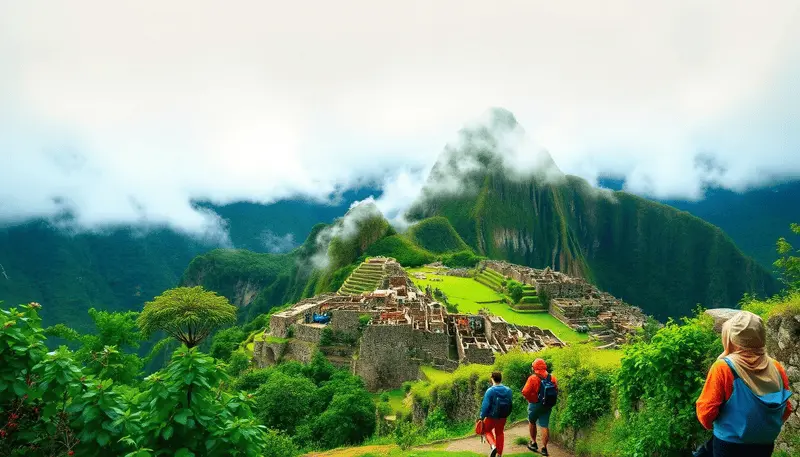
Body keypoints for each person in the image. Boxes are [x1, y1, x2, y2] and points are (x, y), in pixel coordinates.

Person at [696, 311, 793, 457]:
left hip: (729, 445)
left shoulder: (723, 368)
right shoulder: (776, 367)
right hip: (764, 445)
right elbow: (787, 409)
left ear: (733, 338)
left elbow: (706, 414)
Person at [522, 358, 557, 456]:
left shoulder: (533, 378)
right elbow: (556, 391)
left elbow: (525, 392)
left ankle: (533, 443)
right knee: (544, 425)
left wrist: (531, 399)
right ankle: (544, 449)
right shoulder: (552, 378)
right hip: (547, 405)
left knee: (532, 422)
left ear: (534, 367)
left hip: (535, 404)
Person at [479, 371, 513, 457]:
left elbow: (485, 406)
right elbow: (510, 404)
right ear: (501, 379)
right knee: (500, 433)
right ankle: (499, 454)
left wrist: (481, 417)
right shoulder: (508, 390)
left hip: (492, 416)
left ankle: (493, 446)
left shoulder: (490, 391)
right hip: (503, 416)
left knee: (486, 430)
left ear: (492, 379)